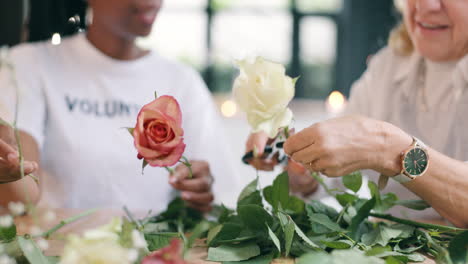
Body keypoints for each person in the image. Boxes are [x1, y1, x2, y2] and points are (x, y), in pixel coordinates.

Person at [0, 0, 241, 213]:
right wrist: (9, 173)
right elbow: (23, 192)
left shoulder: (182, 81)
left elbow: (221, 195)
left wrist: (202, 192)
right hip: (57, 251)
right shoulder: (27, 65)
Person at [246, 0, 468, 228]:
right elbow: (335, 173)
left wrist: (387, 147)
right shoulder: (387, 66)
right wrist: (299, 161)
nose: (426, 6)